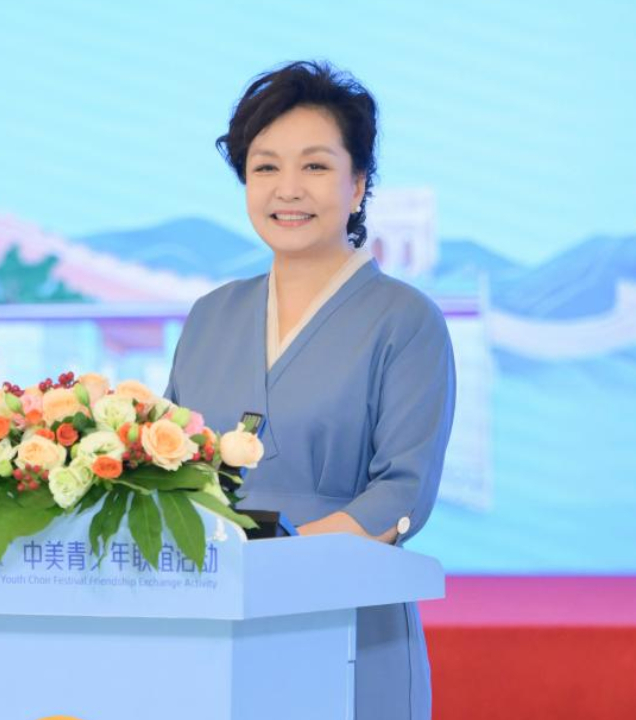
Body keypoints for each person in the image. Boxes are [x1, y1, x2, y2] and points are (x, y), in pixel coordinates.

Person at [164, 61, 455, 719]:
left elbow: (403, 491)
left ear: (358, 186)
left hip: (346, 618)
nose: (287, 190)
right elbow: (173, 474)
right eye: (266, 167)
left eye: (316, 167)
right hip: (214, 624)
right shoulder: (210, 315)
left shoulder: (405, 319)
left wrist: (277, 563)